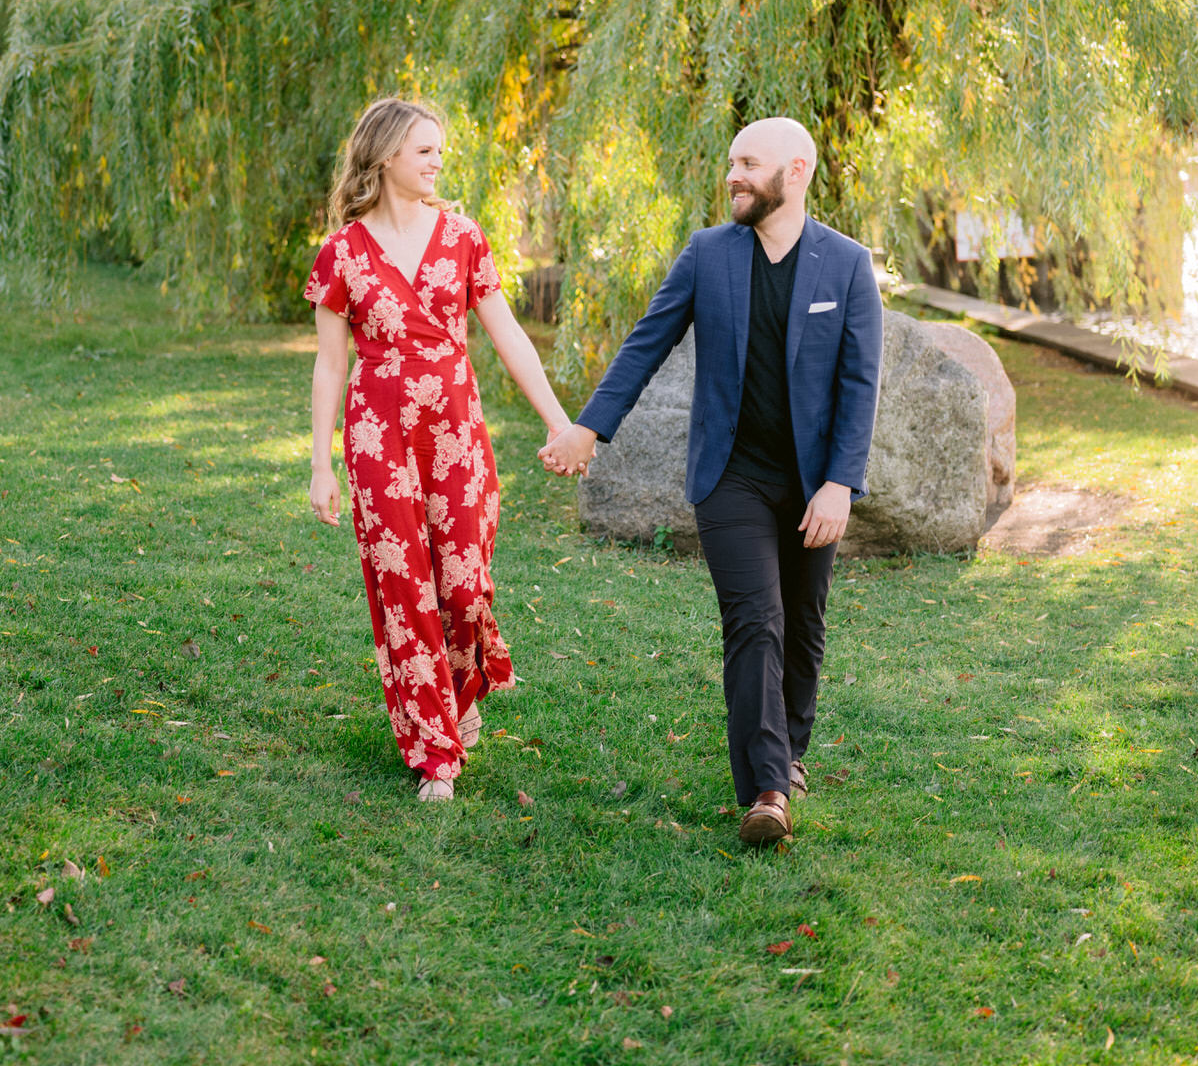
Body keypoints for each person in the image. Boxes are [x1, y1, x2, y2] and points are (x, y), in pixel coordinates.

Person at [540, 118, 883, 844]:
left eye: (748, 164)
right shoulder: (706, 256)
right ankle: (767, 790)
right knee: (755, 620)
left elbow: (860, 382)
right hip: (730, 474)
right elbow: (646, 343)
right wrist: (587, 427)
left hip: (812, 479)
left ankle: (788, 751)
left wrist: (840, 485)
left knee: (803, 624)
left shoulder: (847, 265)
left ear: (795, 174)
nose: (733, 176)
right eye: (731, 162)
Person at [306, 98, 575, 802]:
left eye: (438, 151)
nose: (436, 162)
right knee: (403, 588)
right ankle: (434, 752)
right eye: (424, 150)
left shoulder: (463, 238)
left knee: (461, 581)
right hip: (378, 435)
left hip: (456, 433)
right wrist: (319, 464)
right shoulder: (342, 254)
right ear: (387, 155)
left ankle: (463, 686)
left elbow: (509, 335)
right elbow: (330, 366)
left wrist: (557, 421)